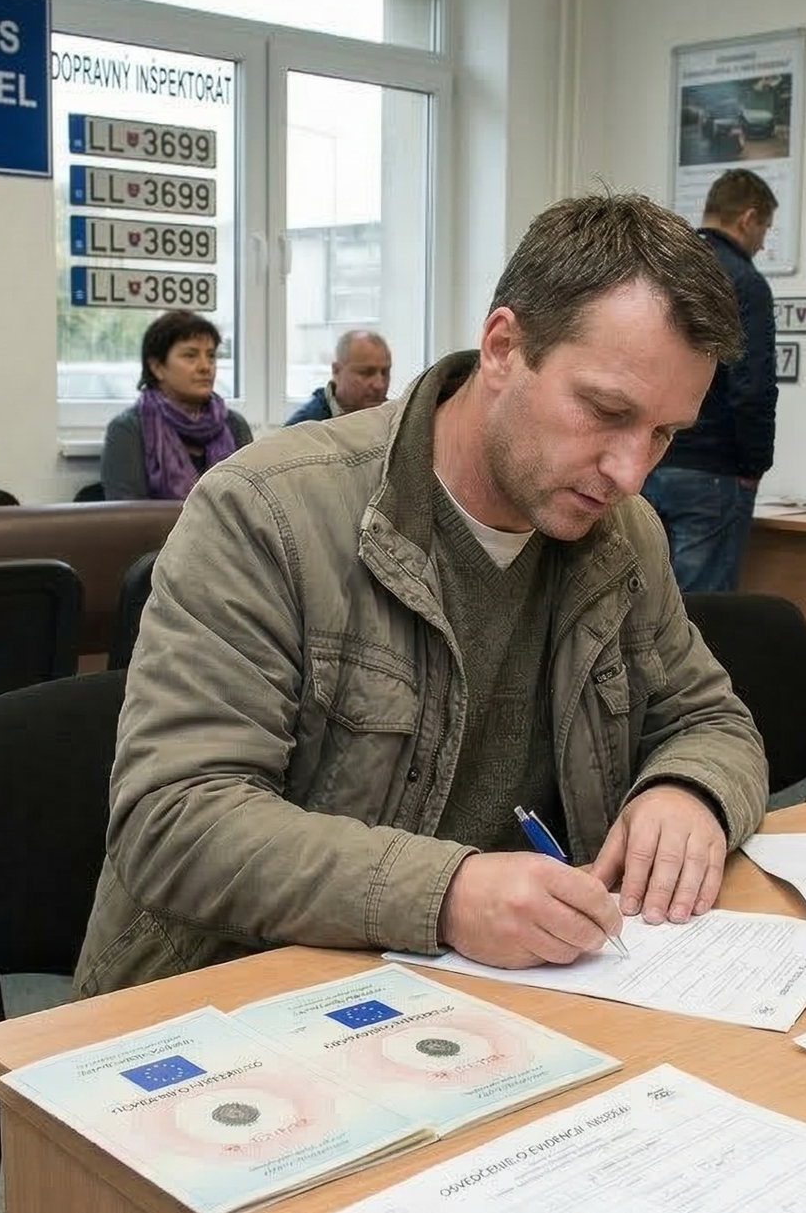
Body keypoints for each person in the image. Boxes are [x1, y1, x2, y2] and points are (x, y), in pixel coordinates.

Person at [74, 194, 769, 996]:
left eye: (662, 433)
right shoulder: (268, 511)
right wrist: (448, 893)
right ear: (504, 347)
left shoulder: (625, 534)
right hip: (236, 1005)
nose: (630, 471)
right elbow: (177, 820)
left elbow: (712, 719)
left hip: (494, 1002)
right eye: (606, 411)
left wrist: (688, 791)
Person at [641, 169, 779, 592]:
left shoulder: (662, 271)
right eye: (764, 229)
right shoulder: (744, 282)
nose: (762, 242)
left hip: (648, 462)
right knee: (701, 620)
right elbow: (752, 385)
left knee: (640, 600)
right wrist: (755, 465)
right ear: (747, 218)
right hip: (714, 473)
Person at [100, 310, 253, 501]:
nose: (205, 366)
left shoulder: (234, 424)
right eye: (191, 356)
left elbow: (251, 504)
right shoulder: (129, 429)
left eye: (211, 356)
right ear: (157, 367)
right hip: (154, 531)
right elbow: (126, 516)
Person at [286, 329, 395, 424]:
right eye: (366, 373)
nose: (379, 385)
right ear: (337, 371)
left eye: (385, 372)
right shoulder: (302, 430)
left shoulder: (397, 421)